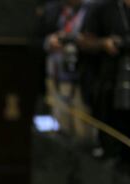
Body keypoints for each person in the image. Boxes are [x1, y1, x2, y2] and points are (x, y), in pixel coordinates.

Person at [80, 0, 130, 160]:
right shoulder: (101, 7)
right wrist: (103, 44)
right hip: (107, 83)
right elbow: (83, 41)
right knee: (111, 139)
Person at [37, 0, 92, 139]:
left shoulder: (91, 9)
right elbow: (34, 39)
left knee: (83, 128)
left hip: (83, 76)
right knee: (61, 124)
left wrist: (83, 42)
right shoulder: (52, 10)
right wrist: (49, 42)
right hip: (56, 76)